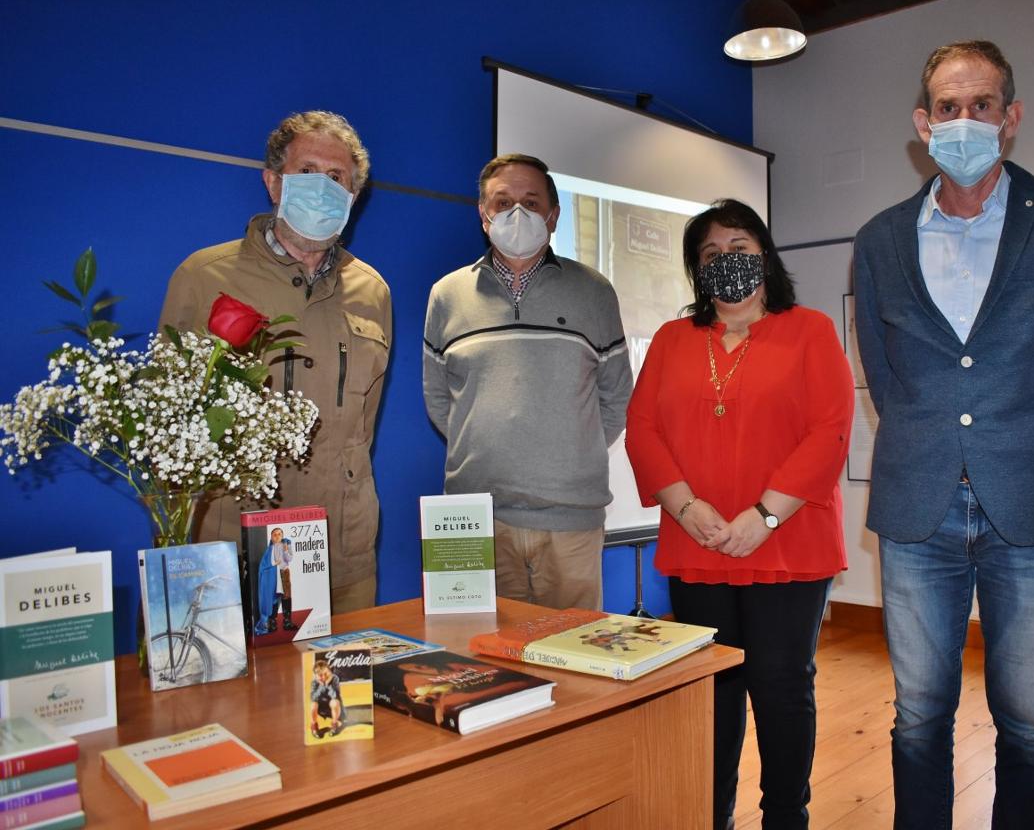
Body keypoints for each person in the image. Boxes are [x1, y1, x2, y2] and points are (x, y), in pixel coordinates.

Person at [852, 41, 1034, 829]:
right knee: (918, 715)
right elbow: (884, 370)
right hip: (918, 509)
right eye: (948, 107)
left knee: (1029, 722)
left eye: (981, 106)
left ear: (1011, 118)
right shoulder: (880, 238)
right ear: (922, 121)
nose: (963, 120)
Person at [625, 199, 855, 829]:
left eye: (741, 247)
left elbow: (830, 431)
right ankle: (711, 817)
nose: (727, 261)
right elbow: (642, 428)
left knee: (780, 688)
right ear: (695, 269)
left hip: (787, 543)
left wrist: (765, 516)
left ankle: (786, 817)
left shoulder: (809, 329)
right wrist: (685, 504)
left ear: (766, 257)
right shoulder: (674, 340)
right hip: (696, 541)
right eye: (711, 253)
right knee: (713, 694)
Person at [160, 111, 391, 614]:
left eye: (337, 179)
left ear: (354, 197)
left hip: (341, 550)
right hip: (230, 550)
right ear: (273, 182)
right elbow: (168, 425)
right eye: (307, 172)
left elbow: (363, 426)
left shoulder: (372, 291)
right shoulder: (204, 277)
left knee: (337, 691)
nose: (322, 188)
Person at [423, 154, 633, 611]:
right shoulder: (446, 295)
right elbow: (440, 398)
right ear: (484, 215)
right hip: (473, 519)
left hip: (571, 520)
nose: (516, 213)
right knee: (477, 660)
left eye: (531, 202)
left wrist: (571, 452)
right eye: (502, 202)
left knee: (576, 660)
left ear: (553, 216)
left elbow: (616, 395)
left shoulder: (594, 292)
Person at [308, 658, 344, 738]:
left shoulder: (335, 678)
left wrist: (327, 684)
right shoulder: (314, 682)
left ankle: (335, 724)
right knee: (313, 704)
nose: (324, 677)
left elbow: (335, 695)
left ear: (329, 671)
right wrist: (322, 686)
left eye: (326, 674)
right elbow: (313, 698)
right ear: (316, 675)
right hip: (322, 709)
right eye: (320, 675)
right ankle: (314, 726)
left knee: (334, 702)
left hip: (335, 708)